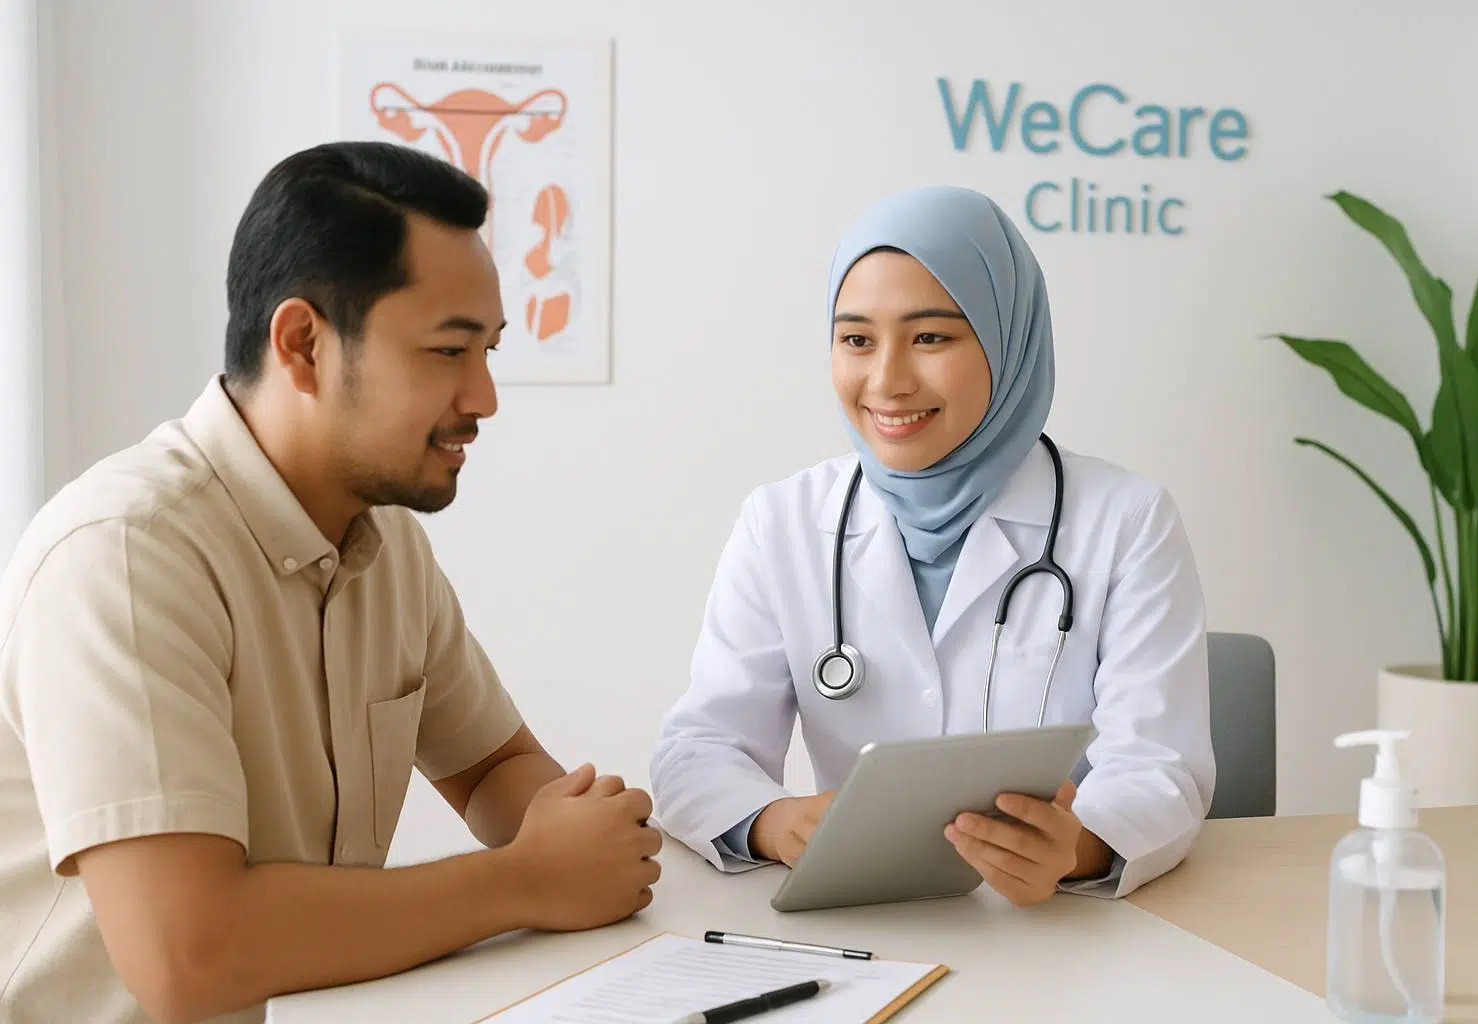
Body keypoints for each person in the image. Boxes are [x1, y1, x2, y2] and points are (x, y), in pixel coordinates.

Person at [0, 141, 660, 1024]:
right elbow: (188, 955)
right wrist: (528, 878)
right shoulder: (123, 554)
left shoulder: (384, 539)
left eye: (489, 350)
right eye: (448, 351)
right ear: (303, 345)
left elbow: (492, 767)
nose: (485, 396)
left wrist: (585, 836)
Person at [650, 185, 1214, 904]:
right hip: (860, 923)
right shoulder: (781, 522)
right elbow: (698, 748)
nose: (886, 381)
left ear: (1008, 342)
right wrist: (774, 822)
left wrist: (1078, 846)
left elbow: (1161, 767)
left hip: (1056, 930)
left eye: (930, 338)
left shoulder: (1126, 519)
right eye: (857, 340)